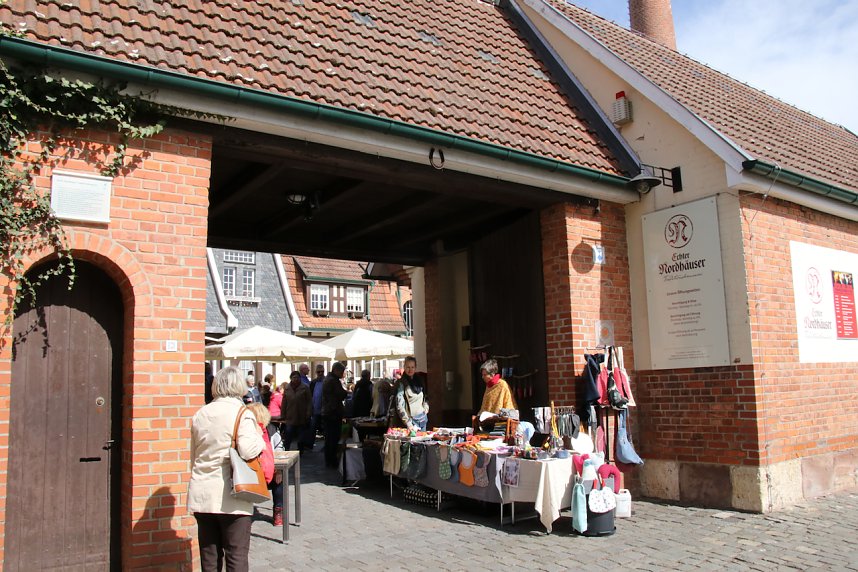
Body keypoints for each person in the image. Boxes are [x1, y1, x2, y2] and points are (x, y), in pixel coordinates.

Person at [188, 366, 265, 571]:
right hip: (232, 494)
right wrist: (259, 438)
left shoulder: (201, 413)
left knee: (209, 556)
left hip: (203, 492)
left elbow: (193, 456)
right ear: (239, 385)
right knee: (236, 554)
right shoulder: (242, 413)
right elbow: (248, 451)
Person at [246, 403, 283, 527]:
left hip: (265, 471)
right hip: (252, 473)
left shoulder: (271, 430)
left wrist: (278, 469)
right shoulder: (246, 432)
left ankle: (278, 511)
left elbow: (279, 449)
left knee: (279, 480)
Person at [321, 362, 348, 468]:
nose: (343, 373)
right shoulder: (333, 380)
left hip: (329, 412)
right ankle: (331, 461)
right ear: (336, 370)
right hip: (332, 413)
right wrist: (346, 392)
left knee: (330, 438)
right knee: (332, 437)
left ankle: (330, 460)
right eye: (342, 371)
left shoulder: (329, 379)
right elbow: (340, 394)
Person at [393, 356, 429, 431]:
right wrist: (408, 423)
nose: (410, 370)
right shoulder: (401, 383)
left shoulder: (420, 381)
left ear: (415, 367)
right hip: (411, 422)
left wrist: (426, 408)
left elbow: (425, 397)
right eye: (408, 367)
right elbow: (399, 405)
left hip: (422, 419)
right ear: (404, 367)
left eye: (412, 367)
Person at [282, 370, 313, 455]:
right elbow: (284, 402)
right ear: (291, 378)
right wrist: (283, 414)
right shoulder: (287, 388)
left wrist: (308, 412)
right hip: (290, 415)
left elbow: (309, 401)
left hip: (302, 415)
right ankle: (286, 449)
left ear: (300, 378)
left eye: (297, 377)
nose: (295, 379)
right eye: (294, 377)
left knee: (301, 435)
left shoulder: (305, 387)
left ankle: (300, 450)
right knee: (288, 433)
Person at [309, 364, 325, 436]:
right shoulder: (313, 382)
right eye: (319, 372)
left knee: (325, 427)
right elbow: (310, 395)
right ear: (316, 372)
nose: (321, 373)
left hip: (325, 408)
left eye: (322, 371)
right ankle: (309, 444)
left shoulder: (326, 381)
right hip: (315, 408)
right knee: (313, 427)